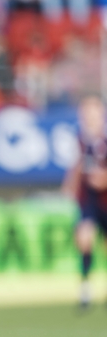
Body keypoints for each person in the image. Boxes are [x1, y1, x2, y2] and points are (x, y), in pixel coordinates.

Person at [62, 96, 107, 309]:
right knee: (85, 239)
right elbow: (77, 166)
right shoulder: (80, 139)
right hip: (88, 200)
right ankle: (86, 290)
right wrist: (70, 185)